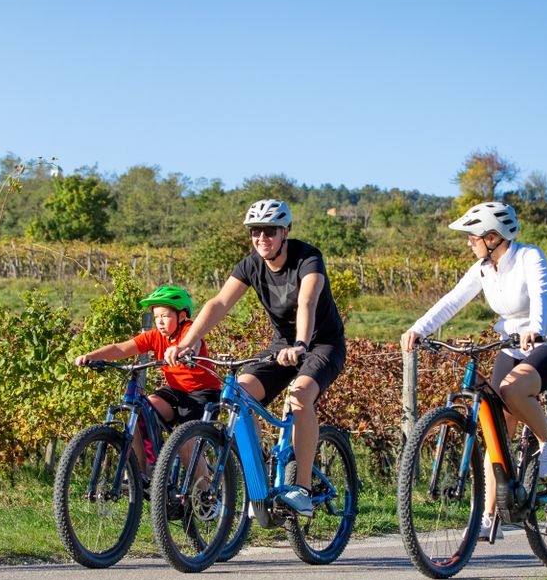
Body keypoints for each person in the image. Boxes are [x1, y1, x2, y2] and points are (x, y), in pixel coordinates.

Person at [400, 201, 547, 539]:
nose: (469, 242)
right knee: (495, 428)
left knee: (511, 390)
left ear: (493, 237)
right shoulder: (483, 269)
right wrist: (419, 328)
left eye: (473, 236)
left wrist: (534, 328)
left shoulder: (529, 257)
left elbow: (540, 295)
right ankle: (489, 516)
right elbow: (453, 300)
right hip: (511, 347)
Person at [163, 199, 346, 516]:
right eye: (255, 231)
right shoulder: (251, 265)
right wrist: (187, 342)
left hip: (322, 344)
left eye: (270, 231)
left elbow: (307, 302)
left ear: (285, 231)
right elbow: (219, 303)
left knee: (300, 395)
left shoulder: (308, 258)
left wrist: (300, 344)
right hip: (282, 345)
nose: (262, 238)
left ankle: (302, 489)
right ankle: (259, 474)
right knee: (239, 393)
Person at [74, 285, 222, 471]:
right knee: (141, 412)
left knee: (186, 444)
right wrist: (91, 356)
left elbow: (194, 343)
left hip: (202, 395)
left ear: (181, 316)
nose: (160, 322)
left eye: (165, 316)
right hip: (175, 391)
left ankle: (205, 488)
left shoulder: (189, 331)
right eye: (156, 316)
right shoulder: (155, 336)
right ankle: (143, 474)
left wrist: (185, 350)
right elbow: (121, 348)